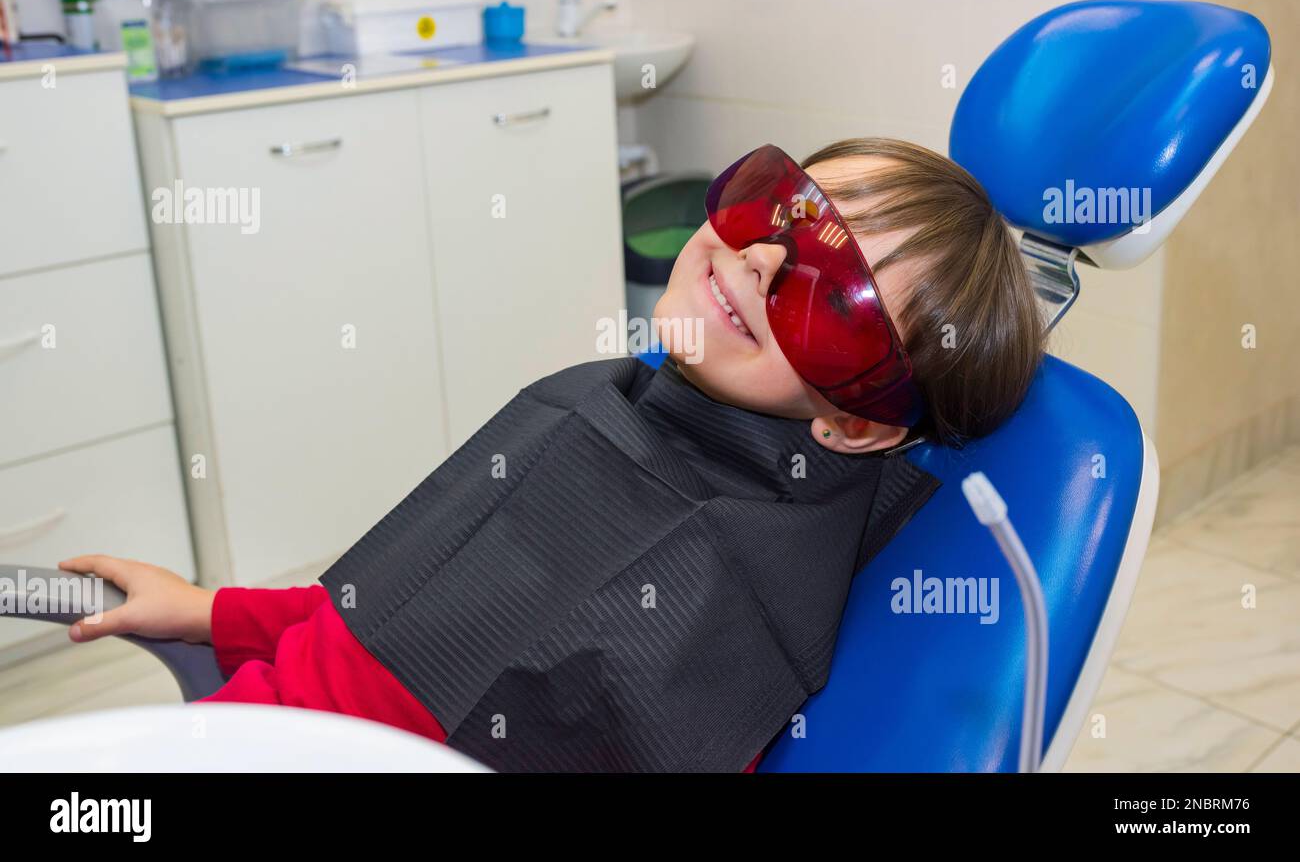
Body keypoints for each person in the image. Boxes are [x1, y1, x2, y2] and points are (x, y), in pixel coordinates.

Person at [61, 138, 1045, 772]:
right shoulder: (606, 397)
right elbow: (402, 615)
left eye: (835, 301)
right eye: (780, 214)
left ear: (856, 424)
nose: (758, 261)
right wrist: (208, 610)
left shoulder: (731, 599)